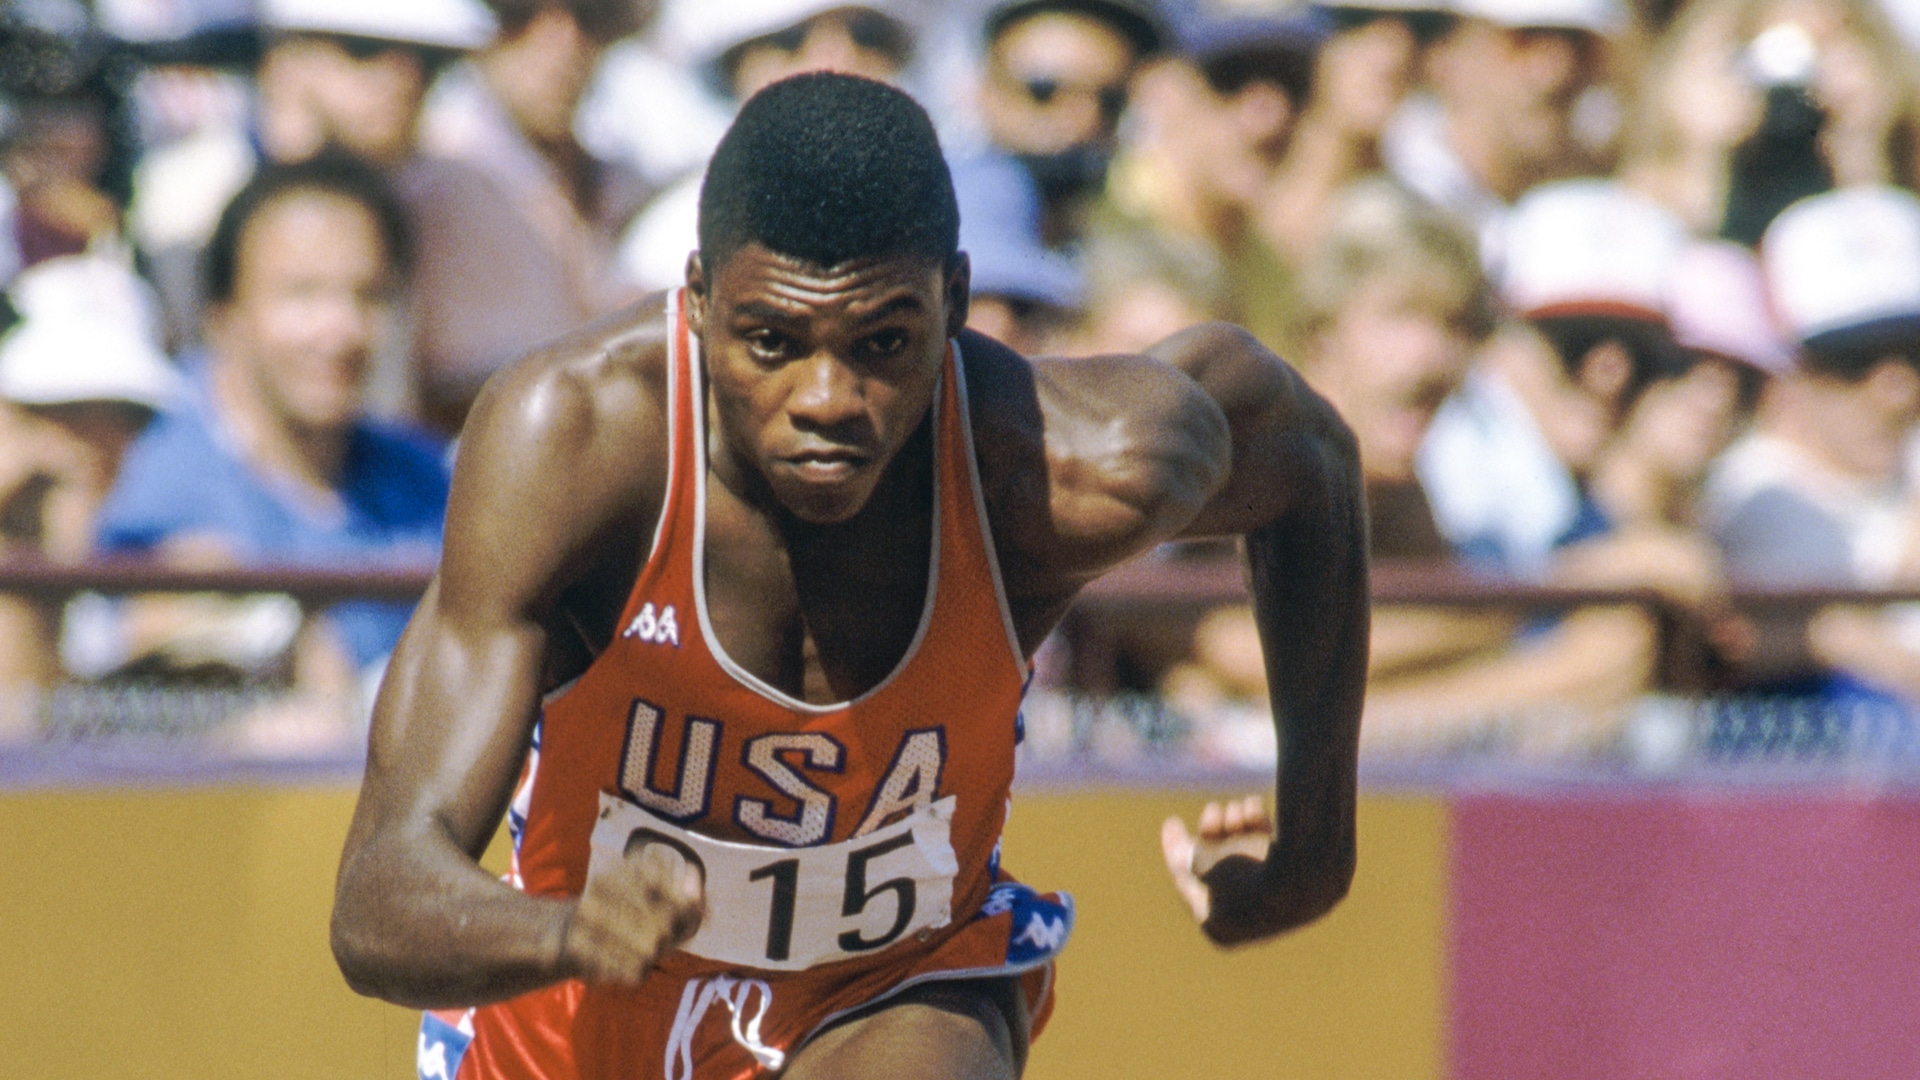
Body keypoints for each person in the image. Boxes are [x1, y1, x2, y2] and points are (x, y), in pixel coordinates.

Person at [331, 73, 1365, 1080]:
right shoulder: (576, 446)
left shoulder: (1067, 465)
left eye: (882, 342)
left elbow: (1308, 459)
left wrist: (1313, 855)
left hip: (889, 990)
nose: (827, 398)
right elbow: (378, 899)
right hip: (578, 1010)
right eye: (772, 342)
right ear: (694, 301)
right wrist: (564, 930)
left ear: (955, 301)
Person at [93, 154, 450, 751]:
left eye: (369, 295)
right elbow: (160, 689)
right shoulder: (163, 480)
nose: (340, 329)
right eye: (302, 294)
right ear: (223, 315)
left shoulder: (428, 476)